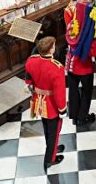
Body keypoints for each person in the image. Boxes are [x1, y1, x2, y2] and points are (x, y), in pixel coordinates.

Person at [25, 36, 67, 170]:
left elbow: (28, 80)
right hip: (52, 104)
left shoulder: (31, 60)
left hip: (38, 101)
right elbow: (59, 92)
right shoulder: (57, 68)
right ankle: (50, 159)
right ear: (52, 49)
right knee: (54, 132)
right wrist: (62, 109)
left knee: (47, 129)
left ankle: (52, 148)